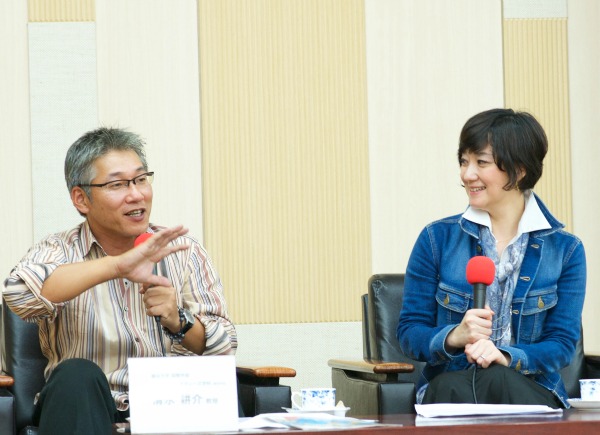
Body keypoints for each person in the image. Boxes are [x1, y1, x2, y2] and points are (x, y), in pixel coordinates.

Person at [3, 127, 238, 434]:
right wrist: (116, 266)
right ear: (81, 199)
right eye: (117, 184)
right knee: (76, 375)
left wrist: (178, 320)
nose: (136, 194)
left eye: (141, 179)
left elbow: (224, 348)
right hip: (87, 407)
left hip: (169, 406)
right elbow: (18, 295)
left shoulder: (184, 251)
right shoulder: (58, 250)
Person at [397, 108, 586, 408]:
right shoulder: (436, 239)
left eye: (481, 162)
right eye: (464, 161)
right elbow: (410, 332)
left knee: (498, 378)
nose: (467, 174)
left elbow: (561, 345)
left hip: (529, 389)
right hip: (451, 386)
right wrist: (455, 336)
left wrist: (506, 357)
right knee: (463, 385)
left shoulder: (566, 250)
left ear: (519, 169)